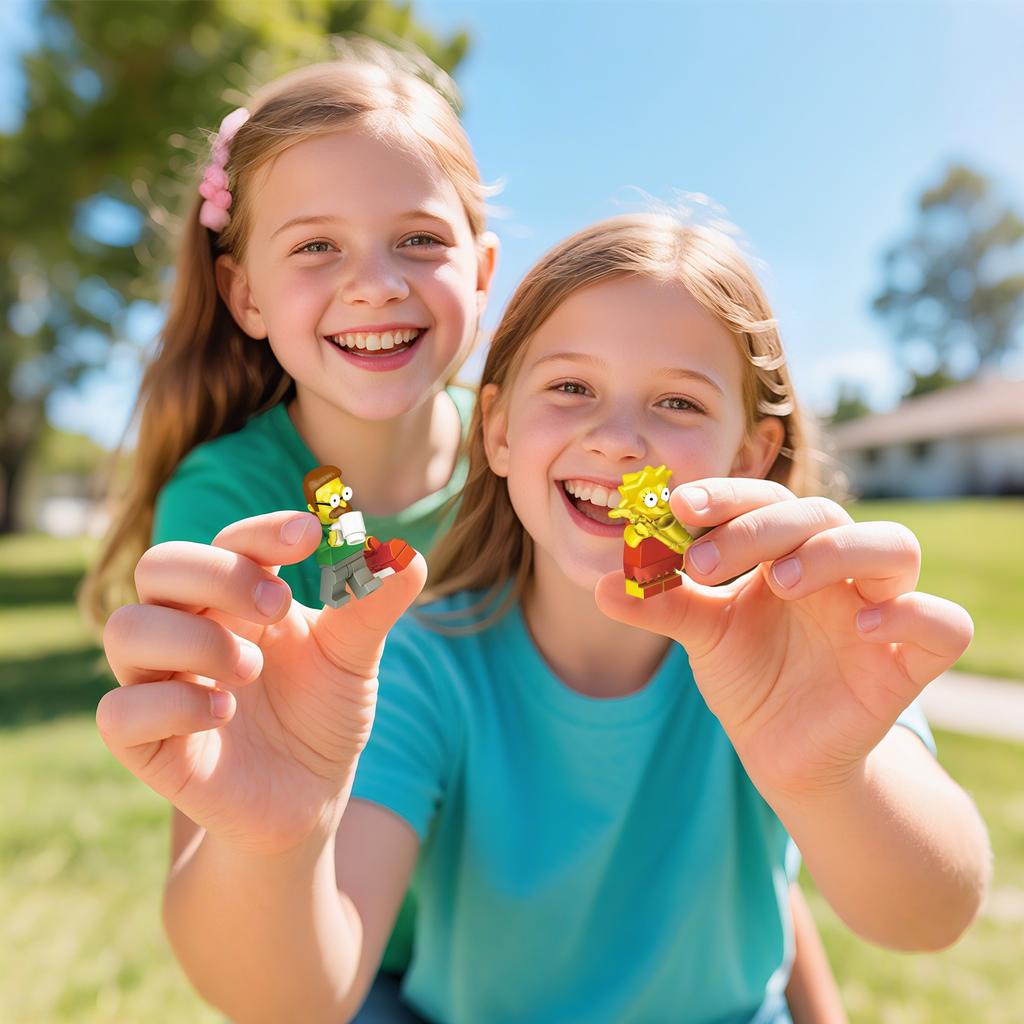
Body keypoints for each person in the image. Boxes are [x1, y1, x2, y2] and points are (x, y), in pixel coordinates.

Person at [96, 212, 989, 1023]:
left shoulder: (804, 637)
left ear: (751, 452)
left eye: (678, 402)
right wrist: (275, 839)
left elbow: (931, 915)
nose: (618, 438)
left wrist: (830, 776)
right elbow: (297, 999)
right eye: (570, 388)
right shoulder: (423, 667)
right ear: (498, 432)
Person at [80, 43, 499, 977]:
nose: (377, 283)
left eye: (421, 239)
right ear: (246, 294)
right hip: (345, 959)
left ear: (482, 270)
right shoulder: (225, 505)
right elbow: (211, 849)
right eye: (316, 245)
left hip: (526, 948)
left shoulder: (541, 462)